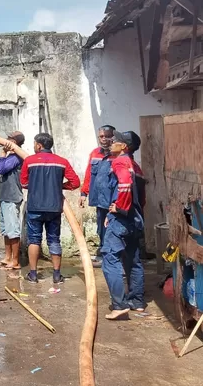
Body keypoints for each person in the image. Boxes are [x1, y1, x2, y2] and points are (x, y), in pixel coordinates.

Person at [20, 133, 81, 284]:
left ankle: (33, 275)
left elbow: (23, 183)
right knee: (54, 239)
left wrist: (36, 186)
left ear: (39, 145)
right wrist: (59, 186)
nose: (34, 146)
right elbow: (75, 182)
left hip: (35, 207)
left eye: (34, 144)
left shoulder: (29, 161)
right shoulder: (62, 161)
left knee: (34, 240)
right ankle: (56, 275)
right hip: (54, 207)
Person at [102, 131, 146, 320]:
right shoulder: (135, 166)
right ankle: (137, 301)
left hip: (121, 219)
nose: (111, 143)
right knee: (133, 259)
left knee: (109, 258)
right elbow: (141, 197)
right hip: (134, 219)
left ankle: (119, 305)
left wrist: (119, 208)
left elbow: (125, 186)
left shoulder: (119, 162)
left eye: (116, 142)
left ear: (124, 147)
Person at [79, 125, 116, 268]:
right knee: (101, 228)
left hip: (113, 201)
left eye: (107, 136)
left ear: (113, 136)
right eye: (101, 136)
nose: (104, 139)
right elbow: (89, 174)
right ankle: (103, 254)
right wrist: (84, 193)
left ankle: (110, 256)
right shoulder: (95, 154)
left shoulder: (117, 155)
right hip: (100, 200)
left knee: (112, 228)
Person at [0, 131, 25, 271]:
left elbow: (1, 169)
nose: (6, 140)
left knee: (12, 230)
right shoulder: (11, 156)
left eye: (9, 139)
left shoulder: (17, 157)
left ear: (15, 142)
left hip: (12, 197)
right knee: (6, 230)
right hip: (4, 197)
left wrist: (2, 155)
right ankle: (7, 258)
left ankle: (15, 261)